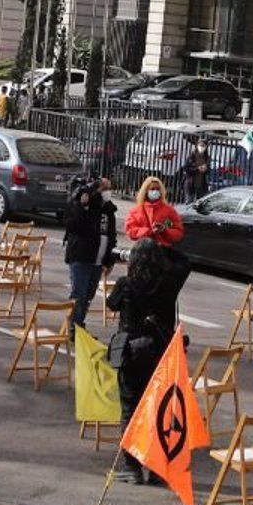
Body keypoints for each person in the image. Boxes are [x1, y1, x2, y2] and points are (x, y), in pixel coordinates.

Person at [107, 239, 190, 484]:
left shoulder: (126, 284)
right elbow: (185, 262)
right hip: (159, 355)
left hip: (131, 355)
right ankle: (156, 469)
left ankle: (131, 466)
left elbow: (111, 303)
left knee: (130, 410)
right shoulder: (169, 283)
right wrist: (164, 246)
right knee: (157, 411)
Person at [63, 179, 116, 331]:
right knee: (79, 295)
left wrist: (109, 260)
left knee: (88, 296)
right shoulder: (83, 205)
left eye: (109, 188)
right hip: (81, 257)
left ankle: (79, 325)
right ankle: (74, 327)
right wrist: (82, 205)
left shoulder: (108, 209)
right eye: (104, 188)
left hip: (98, 262)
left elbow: (111, 235)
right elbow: (72, 225)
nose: (107, 191)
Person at [125, 174, 184, 246]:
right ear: (146, 191)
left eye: (158, 189)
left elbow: (178, 232)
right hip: (142, 249)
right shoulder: (135, 211)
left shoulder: (169, 211)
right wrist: (149, 231)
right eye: (152, 189)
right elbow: (131, 230)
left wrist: (164, 231)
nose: (155, 191)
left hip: (162, 249)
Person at [180, 137, 211, 202]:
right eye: (200, 145)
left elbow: (208, 170)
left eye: (203, 146)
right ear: (197, 146)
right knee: (189, 202)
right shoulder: (192, 156)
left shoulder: (206, 157)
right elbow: (186, 169)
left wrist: (206, 169)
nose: (201, 147)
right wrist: (197, 169)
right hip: (191, 184)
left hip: (201, 184)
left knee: (200, 203)